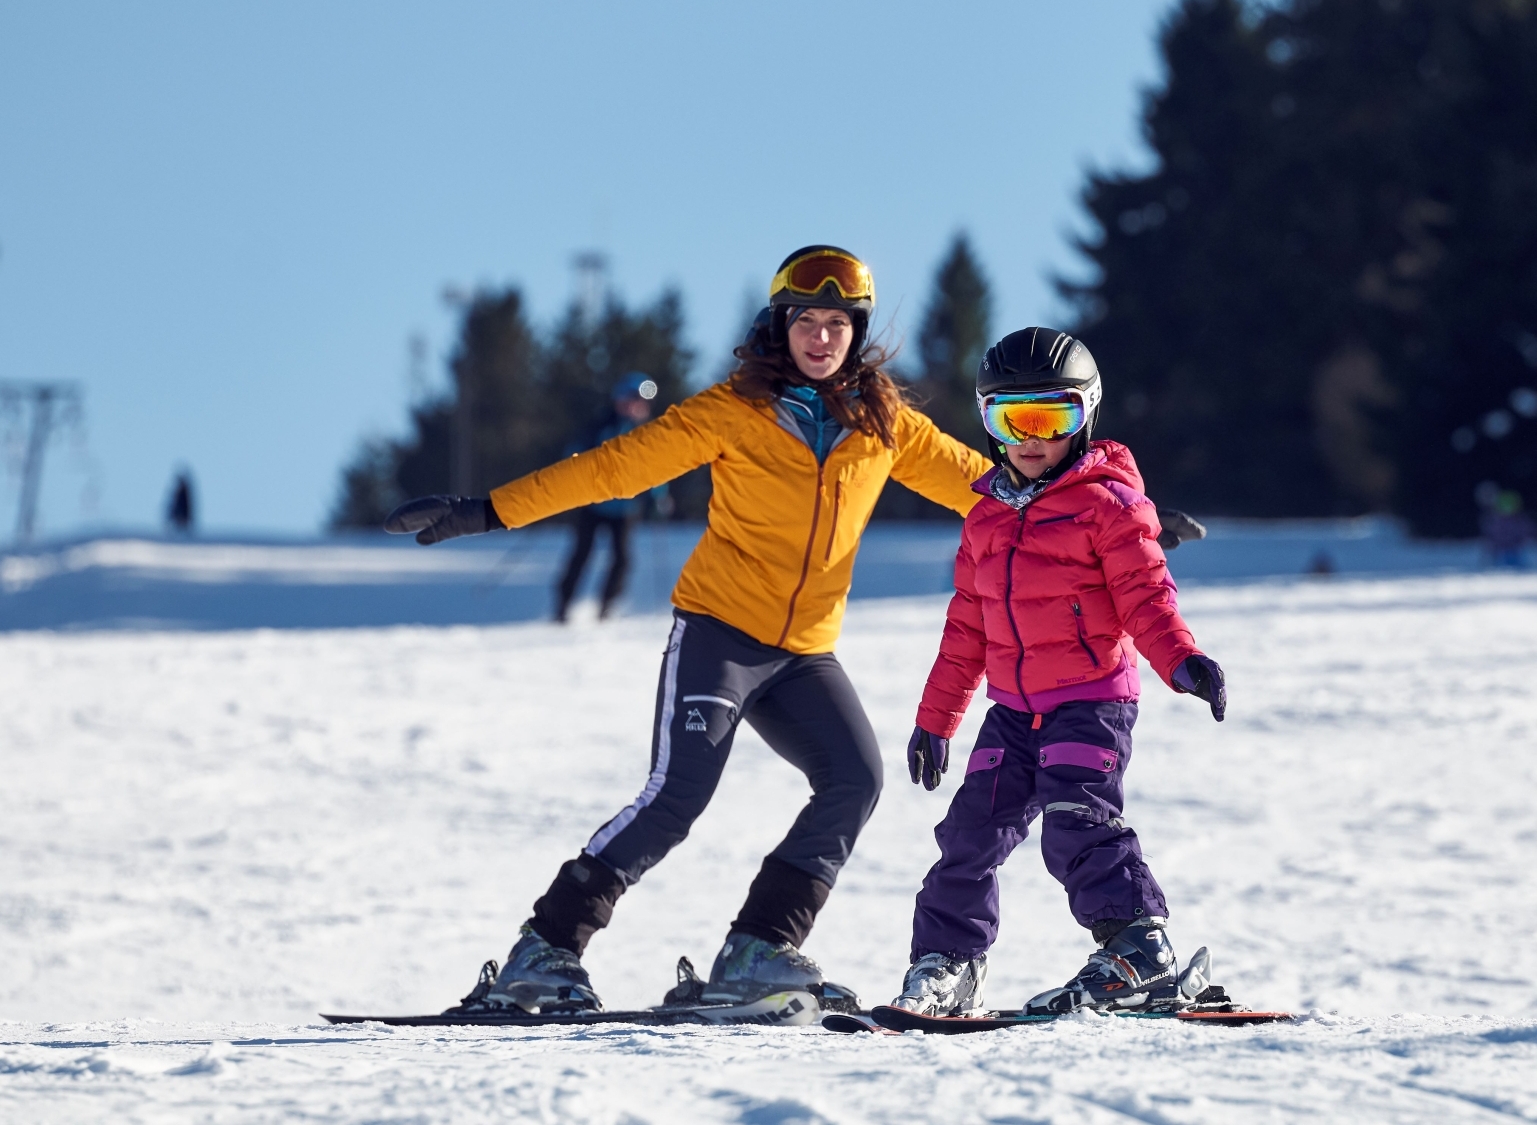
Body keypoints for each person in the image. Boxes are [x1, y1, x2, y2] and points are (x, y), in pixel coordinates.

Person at [383, 246, 1000, 1013]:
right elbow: (613, 469)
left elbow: (989, 486)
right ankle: (543, 948)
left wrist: (1109, 514)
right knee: (677, 795)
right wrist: (486, 509)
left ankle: (759, 946)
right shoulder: (732, 410)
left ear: (856, 332)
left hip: (804, 653)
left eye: (837, 323)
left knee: (855, 779)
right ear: (781, 327)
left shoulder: (885, 426)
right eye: (806, 320)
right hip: (719, 635)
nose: (821, 337)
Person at [888, 327, 1229, 1018]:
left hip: (1091, 701)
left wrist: (1181, 659)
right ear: (990, 424)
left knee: (1077, 820)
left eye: (1053, 417)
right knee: (969, 832)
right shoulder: (984, 517)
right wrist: (935, 719)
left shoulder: (1110, 504)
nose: (1033, 438)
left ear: (1086, 416)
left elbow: (1146, 595)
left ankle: (1140, 949)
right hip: (1012, 711)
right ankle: (948, 963)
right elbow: (965, 632)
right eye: (1014, 419)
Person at [554, 373, 662, 623]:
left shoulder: (646, 432)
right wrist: (571, 478)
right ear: (620, 398)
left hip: (625, 507)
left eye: (642, 402)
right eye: (633, 398)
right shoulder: (600, 425)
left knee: (622, 559)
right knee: (581, 555)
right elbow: (574, 454)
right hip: (593, 503)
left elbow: (657, 467)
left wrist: (658, 496)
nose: (637, 405)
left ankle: (606, 606)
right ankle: (563, 605)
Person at [166, 467, 194, 535]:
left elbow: (188, 505)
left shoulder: (184, 491)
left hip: (182, 517)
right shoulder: (180, 490)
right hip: (179, 517)